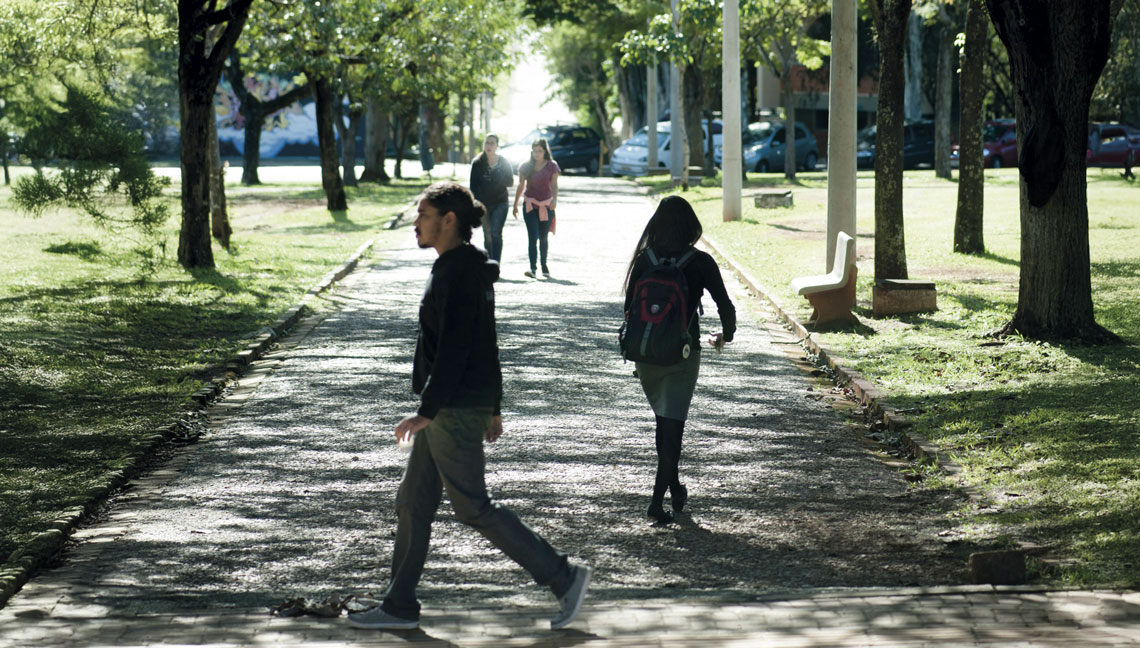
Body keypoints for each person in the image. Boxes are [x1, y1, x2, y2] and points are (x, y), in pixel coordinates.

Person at [346, 181, 590, 632]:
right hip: (454, 405)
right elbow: (485, 342)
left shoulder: (458, 273)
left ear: (449, 220)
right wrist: (492, 405)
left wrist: (428, 410)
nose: (416, 223)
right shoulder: (462, 268)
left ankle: (564, 577)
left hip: (452, 409)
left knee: (473, 506)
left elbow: (457, 349)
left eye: (423, 215)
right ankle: (398, 606)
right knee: (413, 503)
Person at [622, 196, 737, 525]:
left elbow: (629, 308)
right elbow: (725, 306)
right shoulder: (700, 262)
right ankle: (656, 503)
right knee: (672, 429)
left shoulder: (645, 259)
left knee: (664, 423)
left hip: (645, 355)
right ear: (690, 225)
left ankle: (674, 488)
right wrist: (726, 335)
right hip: (682, 355)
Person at [512, 138, 560, 279]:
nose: (537, 154)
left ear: (545, 151)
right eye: (534, 151)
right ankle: (532, 268)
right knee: (532, 236)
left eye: (539, 151)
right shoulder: (525, 166)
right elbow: (521, 185)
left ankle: (544, 265)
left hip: (546, 206)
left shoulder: (552, 166)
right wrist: (515, 205)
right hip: (530, 205)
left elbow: (554, 185)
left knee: (543, 237)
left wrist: (555, 200)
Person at [469, 134, 514, 263]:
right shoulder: (477, 163)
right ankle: (489, 263)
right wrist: (475, 204)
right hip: (483, 204)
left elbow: (510, 182)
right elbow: (473, 186)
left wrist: (499, 178)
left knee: (495, 232)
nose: (489, 145)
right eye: (487, 143)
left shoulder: (504, 162)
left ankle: (496, 264)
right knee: (488, 235)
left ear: (497, 146)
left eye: (492, 143)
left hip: (500, 202)